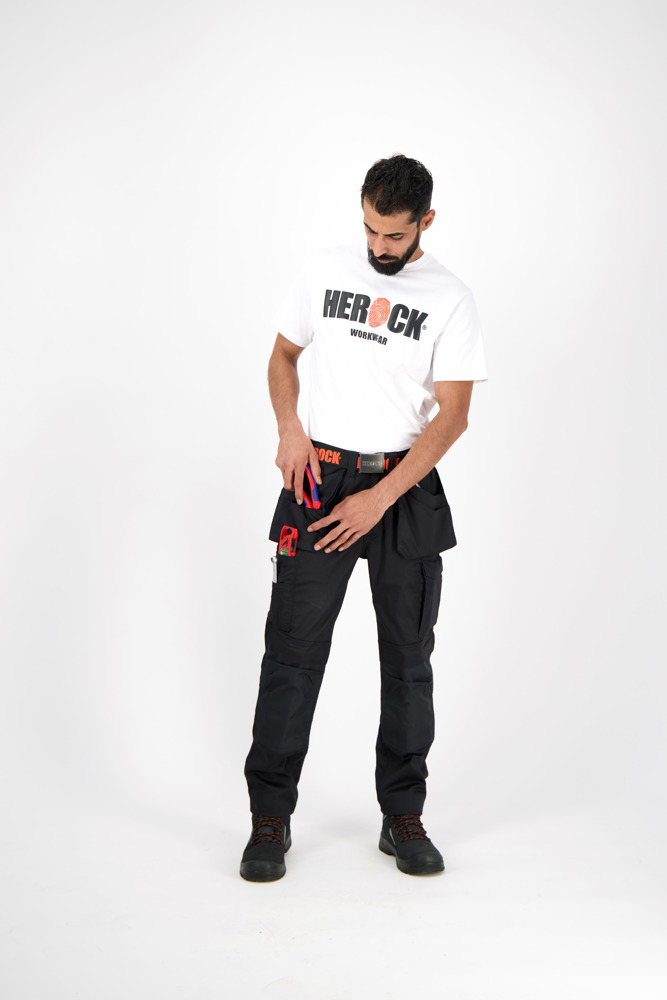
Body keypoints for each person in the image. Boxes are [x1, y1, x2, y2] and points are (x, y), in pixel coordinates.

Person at [240, 154, 487, 882]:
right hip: (318, 478)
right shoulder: (326, 268)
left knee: (409, 660)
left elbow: (454, 416)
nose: (380, 246)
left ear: (426, 222)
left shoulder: (450, 298)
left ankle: (401, 815)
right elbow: (283, 356)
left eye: (395, 235)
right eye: (372, 230)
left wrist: (379, 498)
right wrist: (289, 428)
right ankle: (269, 817)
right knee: (291, 653)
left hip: (402, 487)